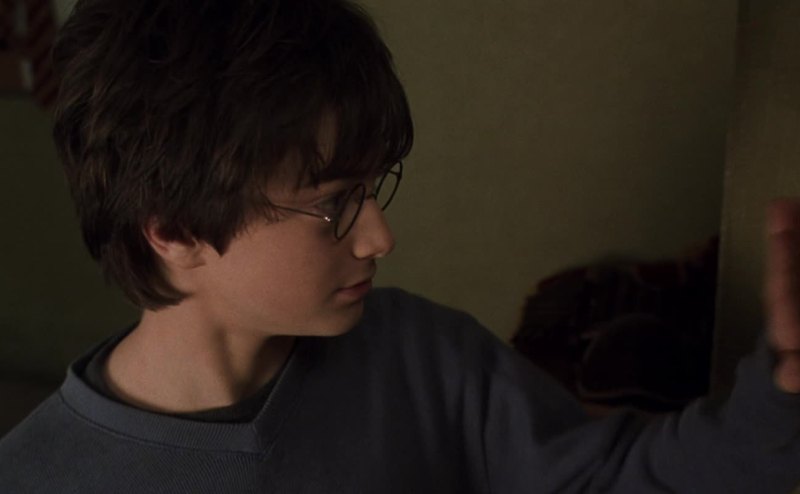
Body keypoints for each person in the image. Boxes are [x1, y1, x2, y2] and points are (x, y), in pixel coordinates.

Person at [1, 0, 799, 492]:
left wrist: (782, 396)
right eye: (333, 204)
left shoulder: (425, 358)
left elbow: (616, 480)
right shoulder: (38, 475)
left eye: (372, 188)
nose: (380, 236)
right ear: (175, 232)